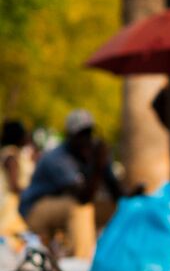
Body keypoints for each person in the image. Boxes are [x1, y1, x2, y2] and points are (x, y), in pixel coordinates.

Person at [19, 110, 119, 260]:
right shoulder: (57, 158)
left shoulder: (92, 153)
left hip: (64, 206)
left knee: (121, 208)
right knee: (78, 207)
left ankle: (115, 259)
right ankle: (82, 263)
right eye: (81, 135)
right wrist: (98, 165)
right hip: (34, 211)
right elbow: (83, 197)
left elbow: (116, 193)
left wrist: (133, 196)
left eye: (89, 134)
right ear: (70, 136)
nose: (86, 140)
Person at [0, 121, 34, 240]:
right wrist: (32, 192)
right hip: (12, 206)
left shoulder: (12, 153)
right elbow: (14, 185)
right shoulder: (11, 155)